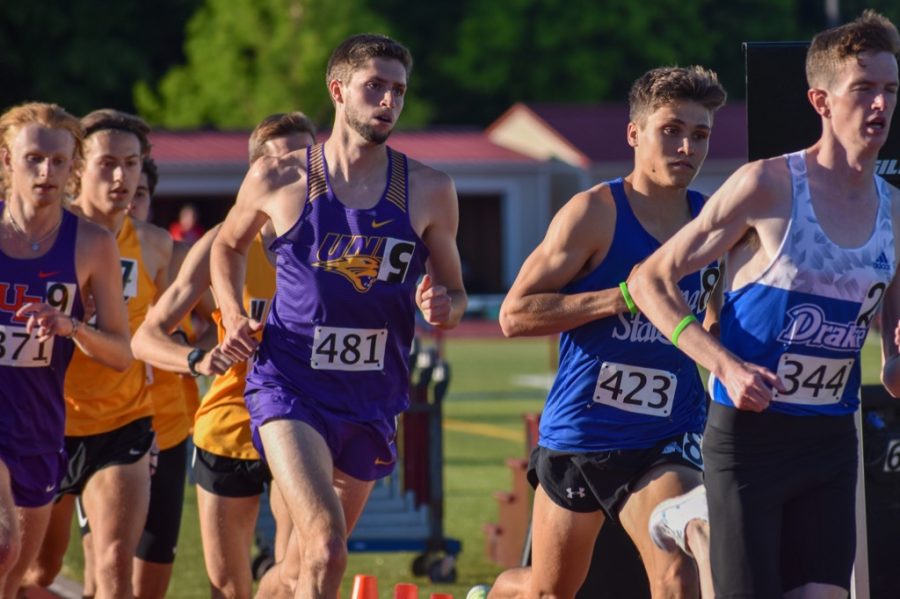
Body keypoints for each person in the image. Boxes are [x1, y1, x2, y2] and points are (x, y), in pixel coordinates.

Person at [629, 11, 900, 598]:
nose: (880, 105)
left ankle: (699, 518)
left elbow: (892, 305)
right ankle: (694, 520)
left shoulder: (895, 208)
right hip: (750, 436)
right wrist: (722, 363)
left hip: (830, 437)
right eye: (863, 90)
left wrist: (896, 356)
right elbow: (649, 280)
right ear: (821, 101)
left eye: (890, 90)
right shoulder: (767, 186)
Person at [211, 33, 467, 598]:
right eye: (374, 86)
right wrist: (232, 316)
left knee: (305, 567)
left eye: (397, 90)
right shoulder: (280, 178)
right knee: (328, 545)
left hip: (374, 395)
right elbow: (226, 247)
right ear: (338, 90)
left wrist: (444, 304)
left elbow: (455, 293)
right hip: (289, 384)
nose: (388, 102)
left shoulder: (429, 189)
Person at [487, 65, 727, 599]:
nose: (686, 146)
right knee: (549, 591)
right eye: (671, 130)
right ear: (634, 133)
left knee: (678, 574)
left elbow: (715, 317)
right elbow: (514, 315)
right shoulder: (594, 213)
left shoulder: (711, 223)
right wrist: (623, 295)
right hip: (583, 435)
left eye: (700, 134)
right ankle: (494, 593)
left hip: (668, 436)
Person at [131, 111, 317, 599]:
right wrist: (199, 361)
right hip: (229, 425)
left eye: (306, 160)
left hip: (306, 425)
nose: (296, 174)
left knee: (298, 576)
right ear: (256, 174)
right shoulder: (221, 245)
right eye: (282, 163)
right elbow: (147, 335)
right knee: (228, 590)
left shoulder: (338, 247)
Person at [26, 109, 173, 599]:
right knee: (36, 574)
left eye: (131, 165)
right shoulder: (45, 238)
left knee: (113, 568)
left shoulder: (154, 246)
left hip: (122, 423)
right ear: (78, 170)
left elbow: (182, 324)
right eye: (108, 164)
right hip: (44, 422)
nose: (121, 178)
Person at [0, 102, 132, 596]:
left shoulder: (92, 244)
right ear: (8, 161)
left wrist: (72, 325)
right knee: (3, 546)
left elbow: (121, 352)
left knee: (15, 578)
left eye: (59, 161)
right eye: (33, 158)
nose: (46, 172)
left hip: (38, 425)